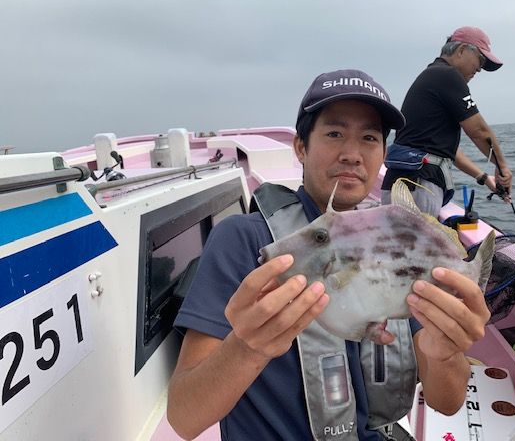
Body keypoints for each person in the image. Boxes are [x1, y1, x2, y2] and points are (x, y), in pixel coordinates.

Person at [167, 69, 491, 441]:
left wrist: (445, 353)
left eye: (369, 138)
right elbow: (184, 418)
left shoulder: (399, 244)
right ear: (300, 147)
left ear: (383, 154)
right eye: (335, 133)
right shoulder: (243, 240)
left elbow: (447, 402)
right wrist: (246, 347)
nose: (352, 155)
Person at [381, 26, 513, 216]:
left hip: (403, 184)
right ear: (461, 50)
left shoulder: (434, 76)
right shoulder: (448, 75)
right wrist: (503, 168)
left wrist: (485, 178)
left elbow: (451, 153)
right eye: (480, 59)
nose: (480, 68)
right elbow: (479, 131)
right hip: (418, 185)